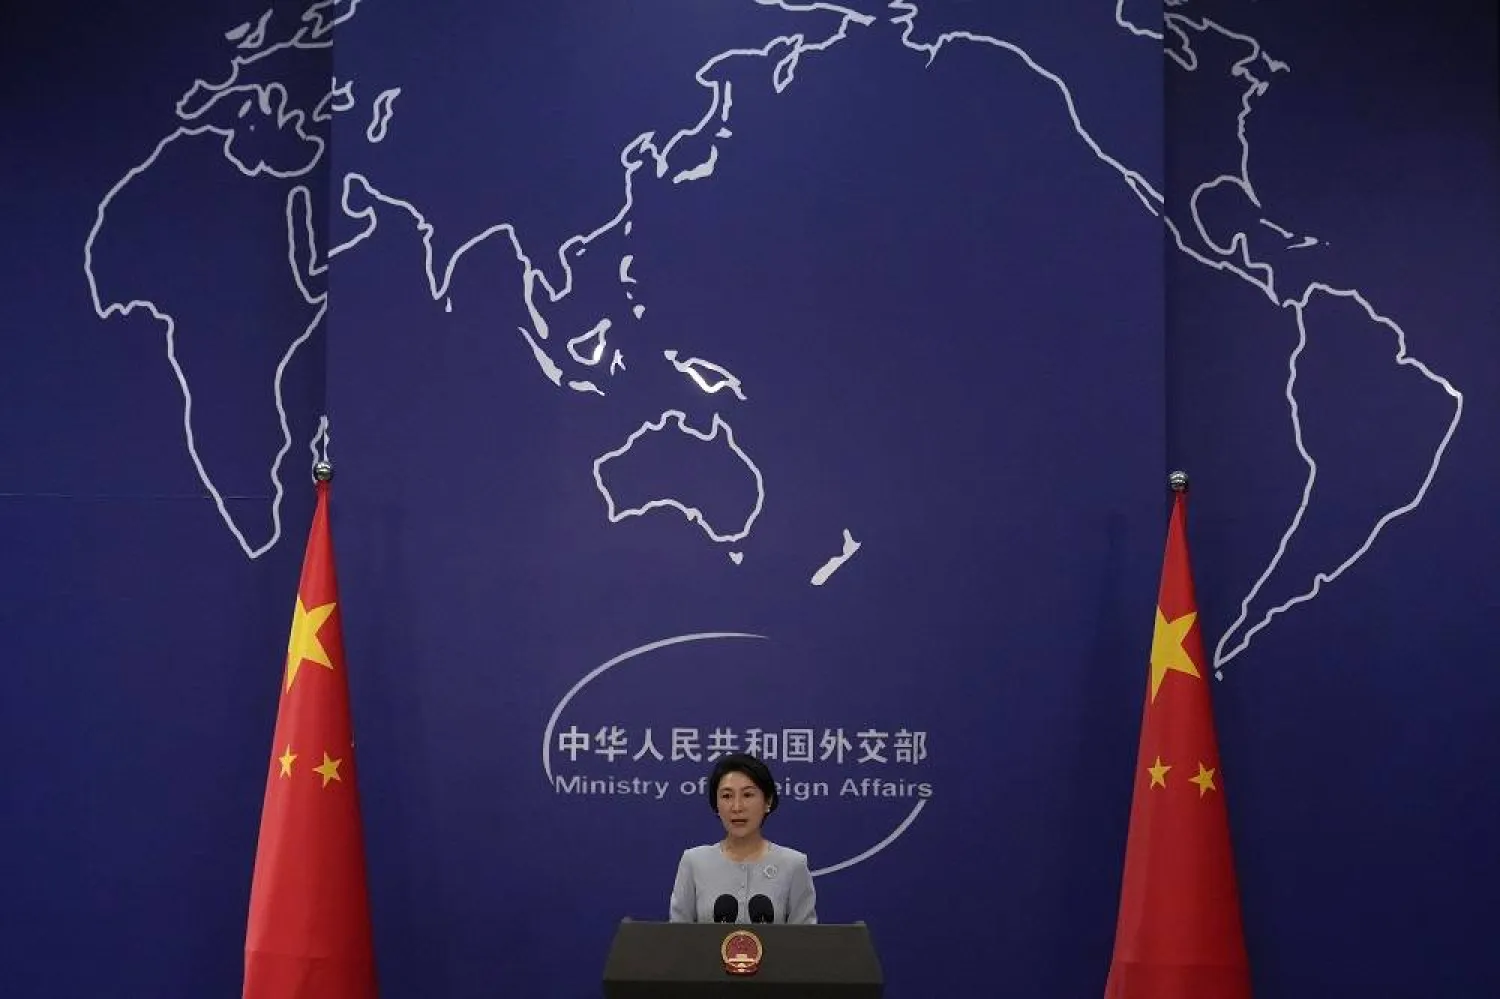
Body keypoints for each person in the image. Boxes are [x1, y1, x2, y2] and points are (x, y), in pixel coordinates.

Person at [668, 752, 818, 924]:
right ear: (716, 805)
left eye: (747, 795)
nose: (737, 807)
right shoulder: (694, 863)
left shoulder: (794, 865)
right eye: (726, 796)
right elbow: (677, 940)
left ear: (767, 801)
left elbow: (806, 943)